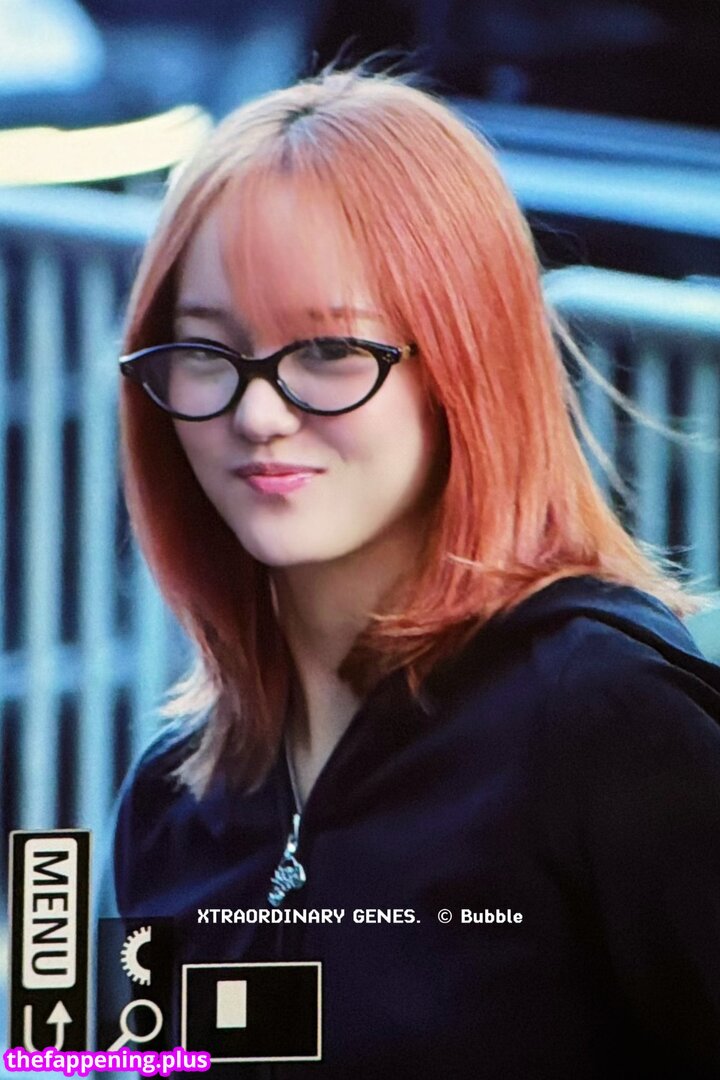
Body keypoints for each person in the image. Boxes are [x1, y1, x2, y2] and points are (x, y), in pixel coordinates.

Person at [112, 66, 720, 1078]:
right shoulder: (172, 798)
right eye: (209, 352)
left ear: (461, 365)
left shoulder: (607, 724)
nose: (258, 414)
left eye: (328, 350)